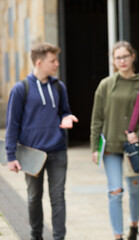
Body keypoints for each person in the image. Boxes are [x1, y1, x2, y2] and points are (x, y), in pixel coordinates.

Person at [5, 42, 78, 240]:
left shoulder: (59, 87)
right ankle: (36, 236)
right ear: (39, 62)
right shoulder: (21, 89)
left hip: (58, 151)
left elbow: (65, 111)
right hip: (32, 155)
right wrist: (10, 155)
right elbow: (12, 124)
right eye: (52, 61)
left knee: (58, 198)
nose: (56, 64)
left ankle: (58, 238)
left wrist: (67, 117)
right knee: (33, 198)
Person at [90, 41, 139, 240]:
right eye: (118, 57)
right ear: (113, 61)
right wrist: (95, 147)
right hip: (110, 146)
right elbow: (97, 119)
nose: (122, 61)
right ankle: (118, 236)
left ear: (132, 57)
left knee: (134, 188)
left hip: (133, 148)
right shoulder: (106, 85)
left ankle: (134, 225)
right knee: (115, 192)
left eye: (125, 56)